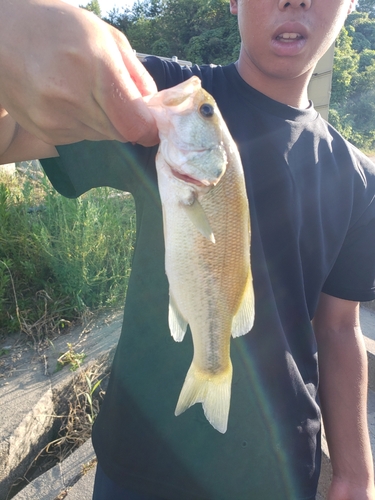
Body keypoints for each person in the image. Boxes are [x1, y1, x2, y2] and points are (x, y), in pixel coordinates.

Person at [1, 0, 375, 498]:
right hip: (141, 456)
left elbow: (339, 327)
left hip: (278, 471)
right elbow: (11, 137)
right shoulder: (161, 96)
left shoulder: (359, 179)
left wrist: (355, 472)